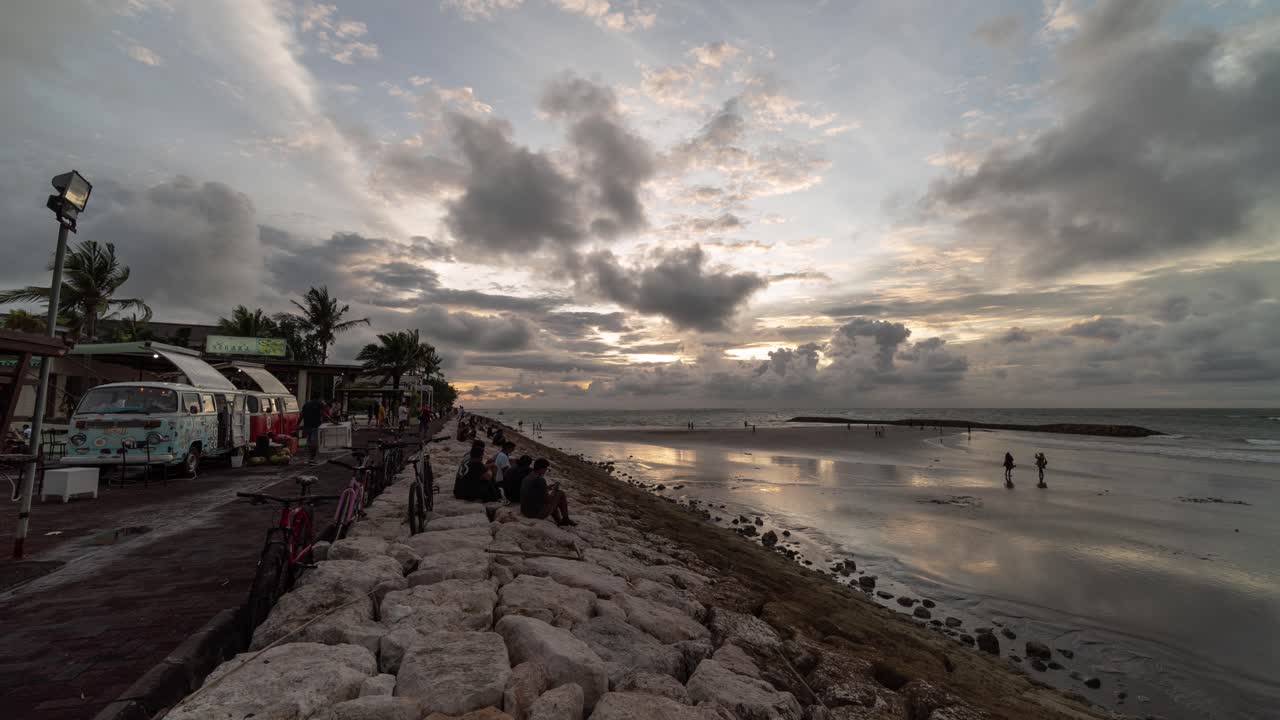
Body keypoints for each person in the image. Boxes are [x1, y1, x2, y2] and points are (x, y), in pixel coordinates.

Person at [521, 458, 575, 526]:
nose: (546, 471)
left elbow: (535, 492)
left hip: (525, 510)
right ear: (542, 468)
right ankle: (565, 519)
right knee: (560, 494)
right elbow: (548, 500)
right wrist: (554, 490)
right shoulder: (540, 479)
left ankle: (560, 521)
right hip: (534, 514)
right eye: (546, 469)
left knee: (555, 497)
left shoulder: (528, 476)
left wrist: (547, 488)